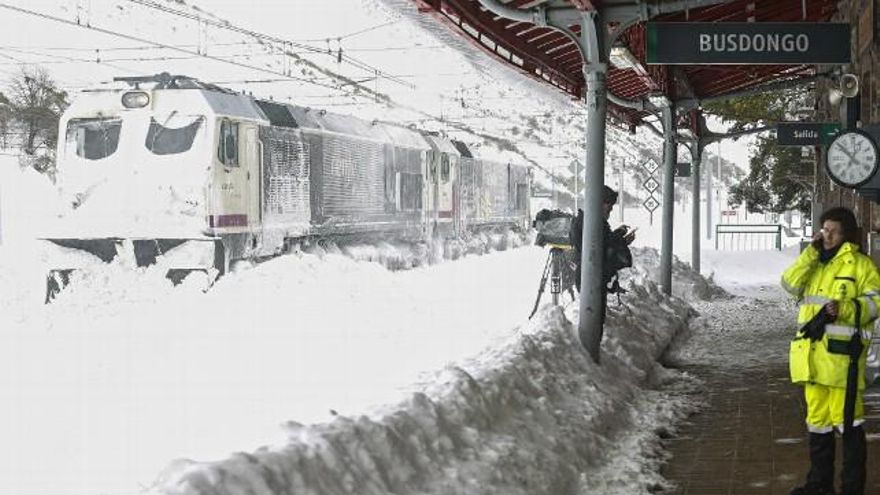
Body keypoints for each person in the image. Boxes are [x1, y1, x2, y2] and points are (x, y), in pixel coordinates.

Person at [782, 207, 880, 495]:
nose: (827, 235)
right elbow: (789, 284)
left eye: (834, 231)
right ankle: (819, 485)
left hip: (842, 363)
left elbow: (876, 303)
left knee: (848, 425)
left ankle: (852, 488)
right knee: (818, 424)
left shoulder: (860, 265)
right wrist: (810, 254)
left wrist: (846, 309)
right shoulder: (814, 263)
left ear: (846, 235)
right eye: (825, 229)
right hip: (812, 361)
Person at [569, 185, 636, 320]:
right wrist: (622, 241)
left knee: (598, 318)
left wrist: (619, 235)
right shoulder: (589, 224)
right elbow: (599, 249)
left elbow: (604, 241)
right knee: (594, 319)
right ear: (599, 203)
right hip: (591, 278)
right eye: (608, 204)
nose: (611, 208)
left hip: (594, 277)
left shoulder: (590, 221)